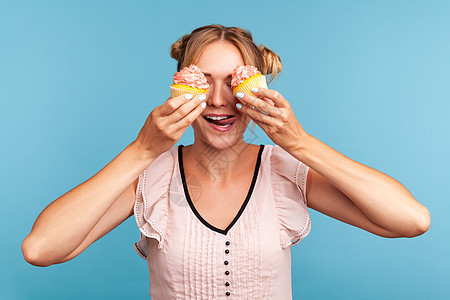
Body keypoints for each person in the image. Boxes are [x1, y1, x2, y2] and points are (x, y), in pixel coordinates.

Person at [21, 24, 431, 299]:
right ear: (182, 86)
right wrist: (142, 150)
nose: (219, 100)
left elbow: (411, 221)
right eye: (205, 82)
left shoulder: (284, 170)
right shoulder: (151, 176)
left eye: (234, 82)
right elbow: (41, 249)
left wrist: (300, 143)